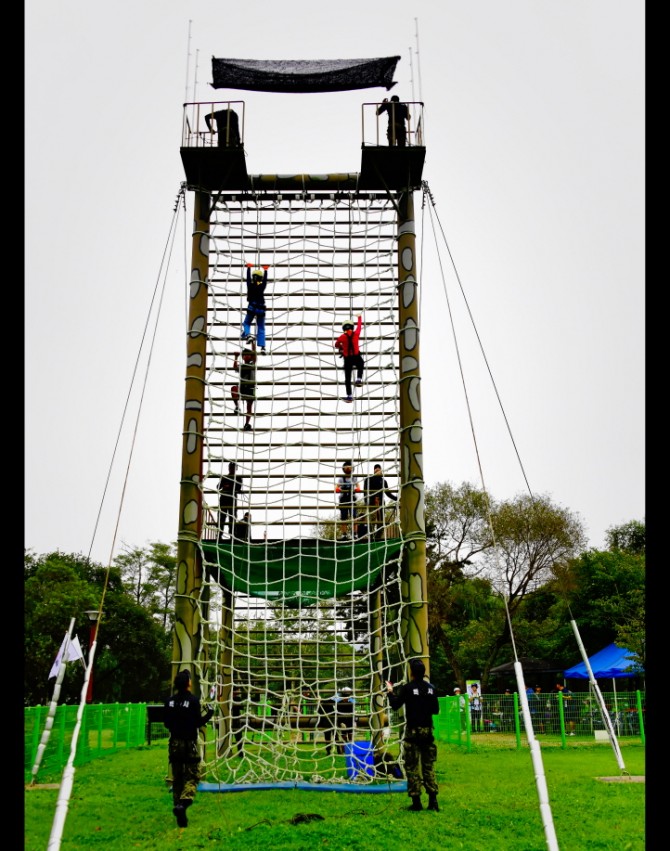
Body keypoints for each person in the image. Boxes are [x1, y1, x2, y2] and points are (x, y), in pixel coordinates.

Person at [386, 659, 440, 812]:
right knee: (428, 766)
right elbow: (435, 710)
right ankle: (433, 801)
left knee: (412, 766)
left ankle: (416, 802)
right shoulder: (431, 688)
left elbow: (395, 705)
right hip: (428, 731)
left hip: (412, 731)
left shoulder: (407, 688)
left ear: (411, 672)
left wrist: (390, 692)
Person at [163, 669, 215, 828]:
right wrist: (210, 713)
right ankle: (182, 806)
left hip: (174, 744)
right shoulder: (193, 701)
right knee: (192, 776)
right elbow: (197, 723)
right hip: (189, 744)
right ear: (188, 683)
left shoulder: (169, 701)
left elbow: (166, 723)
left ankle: (180, 813)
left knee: (177, 778)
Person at [334, 315, 364, 403]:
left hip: (347, 359)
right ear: (352, 327)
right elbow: (359, 326)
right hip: (356, 356)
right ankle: (359, 379)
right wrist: (359, 317)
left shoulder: (342, 337)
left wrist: (341, 346)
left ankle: (349, 396)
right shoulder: (356, 333)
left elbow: (336, 344)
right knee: (361, 364)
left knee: (347, 378)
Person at [364, 463, 397, 540]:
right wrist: (367, 502)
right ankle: (370, 537)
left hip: (381, 503)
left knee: (381, 522)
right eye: (376, 468)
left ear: (381, 470)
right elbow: (365, 492)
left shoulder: (383, 481)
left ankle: (377, 537)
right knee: (371, 521)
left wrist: (396, 498)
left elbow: (388, 493)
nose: (377, 469)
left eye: (379, 468)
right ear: (374, 470)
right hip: (371, 502)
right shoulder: (369, 479)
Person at [242, 263, 270, 353]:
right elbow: (265, 281)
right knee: (261, 327)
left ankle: (248, 334)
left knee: (246, 323)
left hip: (252, 307)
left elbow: (248, 279)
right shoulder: (261, 286)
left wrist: (248, 268)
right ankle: (262, 347)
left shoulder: (250, 285)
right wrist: (265, 270)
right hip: (261, 309)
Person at [233, 338, 257, 431]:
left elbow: (254, 354)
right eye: (244, 355)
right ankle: (237, 406)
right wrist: (235, 357)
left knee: (249, 406)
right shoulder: (241, 366)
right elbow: (235, 367)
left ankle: (247, 423)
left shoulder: (252, 364)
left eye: (248, 355)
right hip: (243, 388)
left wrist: (253, 343)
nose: (246, 356)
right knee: (234, 389)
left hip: (250, 388)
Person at [335, 460, 361, 540]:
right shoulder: (341, 478)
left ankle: (355, 533)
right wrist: (337, 489)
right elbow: (337, 486)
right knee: (343, 517)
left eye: (349, 466)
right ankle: (344, 534)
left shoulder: (354, 477)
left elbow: (357, 485)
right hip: (343, 499)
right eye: (345, 467)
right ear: (343, 468)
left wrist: (358, 488)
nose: (347, 468)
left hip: (352, 498)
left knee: (354, 516)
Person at [218, 462, 243, 538]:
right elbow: (218, 486)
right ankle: (221, 534)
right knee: (223, 517)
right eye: (231, 467)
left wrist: (227, 486)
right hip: (227, 499)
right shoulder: (225, 477)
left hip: (229, 499)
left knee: (230, 518)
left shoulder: (236, 478)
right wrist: (229, 487)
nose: (232, 469)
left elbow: (238, 488)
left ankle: (231, 534)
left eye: (233, 467)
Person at [334, 686, 355, 753]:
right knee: (344, 737)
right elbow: (338, 714)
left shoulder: (351, 703)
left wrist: (354, 721)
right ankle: (344, 750)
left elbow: (352, 713)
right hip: (342, 722)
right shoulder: (339, 704)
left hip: (349, 721)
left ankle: (351, 750)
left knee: (350, 736)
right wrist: (340, 722)